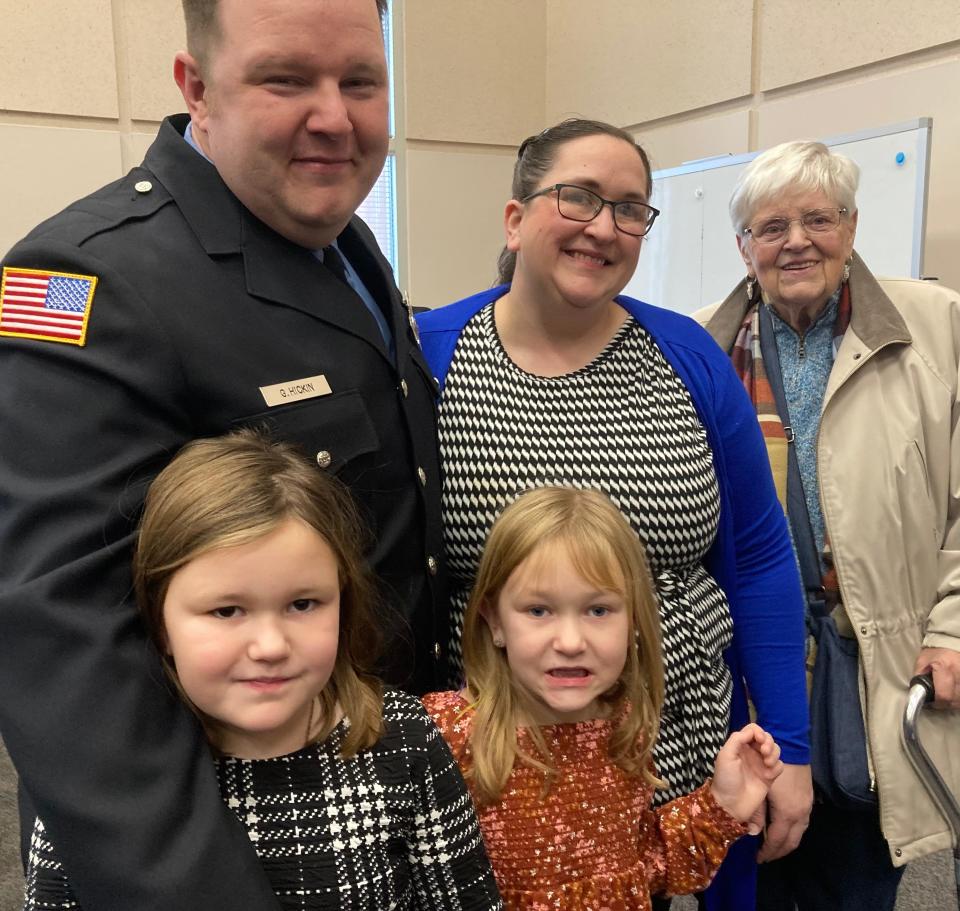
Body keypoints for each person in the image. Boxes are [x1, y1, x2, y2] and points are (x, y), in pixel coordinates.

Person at [0, 1, 445, 908]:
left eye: (360, 80)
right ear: (197, 90)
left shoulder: (347, 245)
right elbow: (61, 640)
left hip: (380, 796)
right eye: (286, 79)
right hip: (237, 847)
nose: (335, 116)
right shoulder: (81, 276)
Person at [415, 118, 811, 909]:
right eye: (579, 197)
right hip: (501, 770)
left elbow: (763, 557)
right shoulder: (429, 354)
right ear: (516, 218)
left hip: (687, 747)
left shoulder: (688, 355)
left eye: (631, 208)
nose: (605, 226)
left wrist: (791, 747)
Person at [23, 429, 502, 911]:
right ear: (161, 622)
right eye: (227, 611)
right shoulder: (98, 774)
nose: (271, 646)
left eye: (303, 604)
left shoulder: (404, 740)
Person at [697, 139, 960, 911]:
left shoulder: (938, 327)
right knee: (752, 857)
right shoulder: (703, 347)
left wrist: (951, 627)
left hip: (879, 649)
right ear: (744, 245)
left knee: (859, 865)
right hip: (745, 654)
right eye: (772, 226)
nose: (797, 241)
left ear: (851, 226)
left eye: (818, 218)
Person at [423, 486, 785, 910]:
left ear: (633, 618)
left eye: (598, 610)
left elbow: (643, 867)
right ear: (494, 621)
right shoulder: (442, 736)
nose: (572, 641)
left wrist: (721, 804)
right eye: (539, 611)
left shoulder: (623, 727)